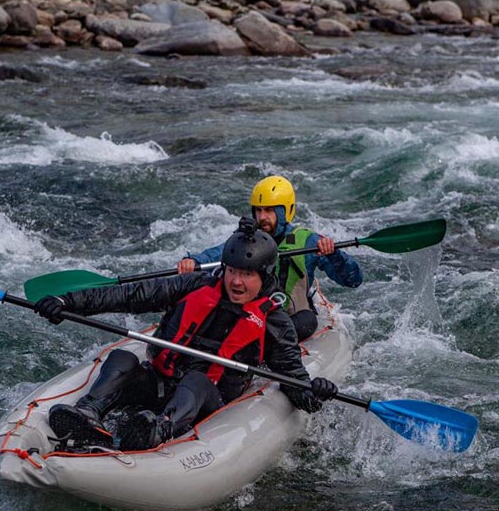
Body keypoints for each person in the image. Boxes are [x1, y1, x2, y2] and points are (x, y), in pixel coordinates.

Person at [33, 218, 339, 452]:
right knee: (123, 358)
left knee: (196, 381)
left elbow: (294, 382)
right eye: (232, 271)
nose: (236, 281)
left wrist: (315, 393)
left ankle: (157, 431)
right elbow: (129, 295)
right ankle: (88, 413)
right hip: (160, 383)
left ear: (265, 275)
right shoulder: (194, 286)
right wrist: (69, 303)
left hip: (208, 401)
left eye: (247, 274)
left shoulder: (275, 321)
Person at [177, 175, 363, 341]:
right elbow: (218, 253)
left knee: (307, 321)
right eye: (258, 211)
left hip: (290, 317)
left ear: (285, 211)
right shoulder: (247, 237)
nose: (262, 217)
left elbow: (353, 280)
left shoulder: (308, 241)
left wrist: (334, 255)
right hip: (251, 317)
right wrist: (194, 262)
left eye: (269, 210)